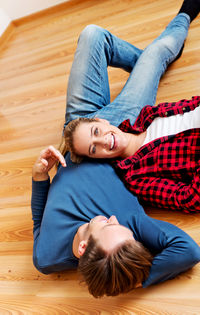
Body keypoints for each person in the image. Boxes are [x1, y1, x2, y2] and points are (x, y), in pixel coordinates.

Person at [32, 1, 200, 298]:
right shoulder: (128, 226)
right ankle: (170, 37)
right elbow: (188, 250)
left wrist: (39, 179)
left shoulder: (46, 259)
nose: (114, 218)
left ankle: (144, 66)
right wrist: (134, 279)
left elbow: (38, 224)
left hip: (81, 133)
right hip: (118, 135)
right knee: (158, 53)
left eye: (109, 225)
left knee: (92, 34)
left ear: (83, 247)